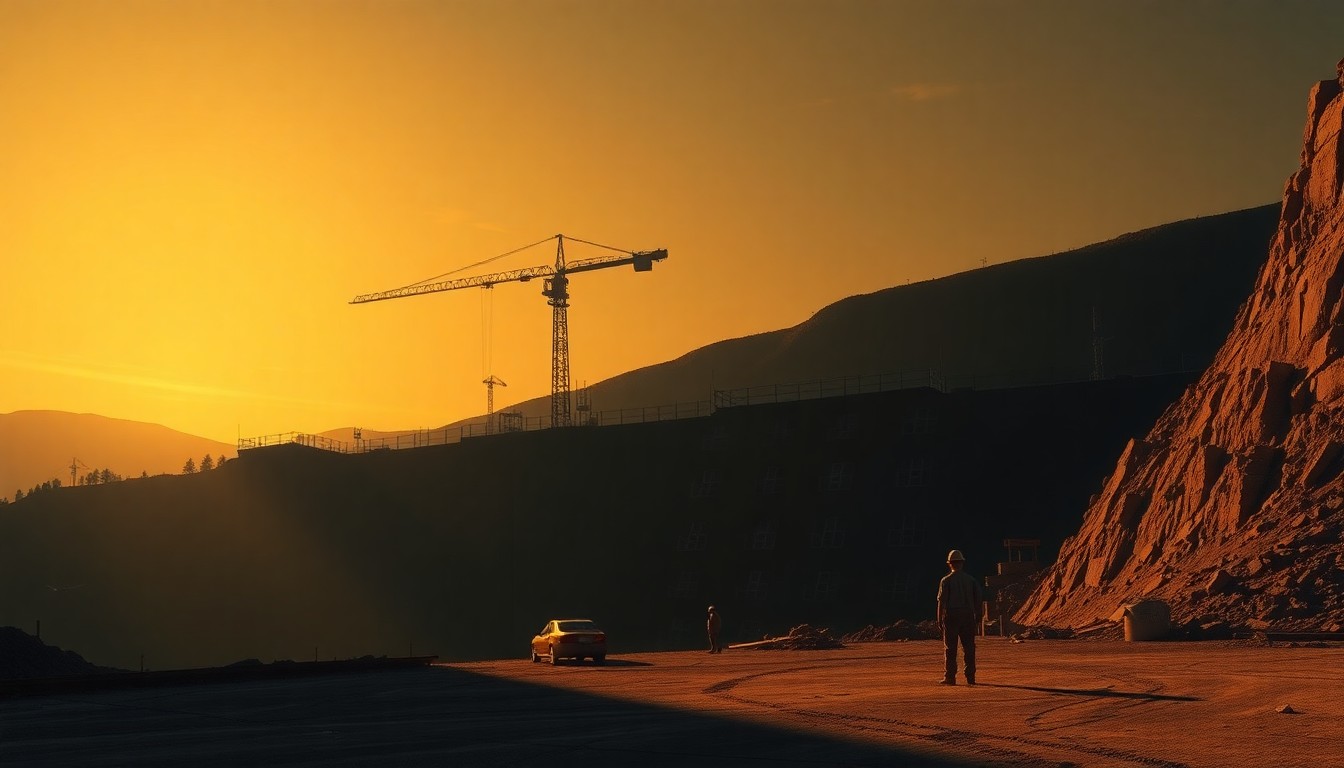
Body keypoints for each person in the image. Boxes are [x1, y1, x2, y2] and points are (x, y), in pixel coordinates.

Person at [936, 549, 983, 685]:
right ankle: (970, 677)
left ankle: (950, 677)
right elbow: (978, 600)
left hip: (951, 616)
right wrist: (978, 617)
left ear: (949, 564)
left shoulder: (946, 581)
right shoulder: (971, 580)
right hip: (968, 616)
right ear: (962, 563)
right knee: (969, 648)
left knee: (950, 648)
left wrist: (939, 619)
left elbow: (941, 602)